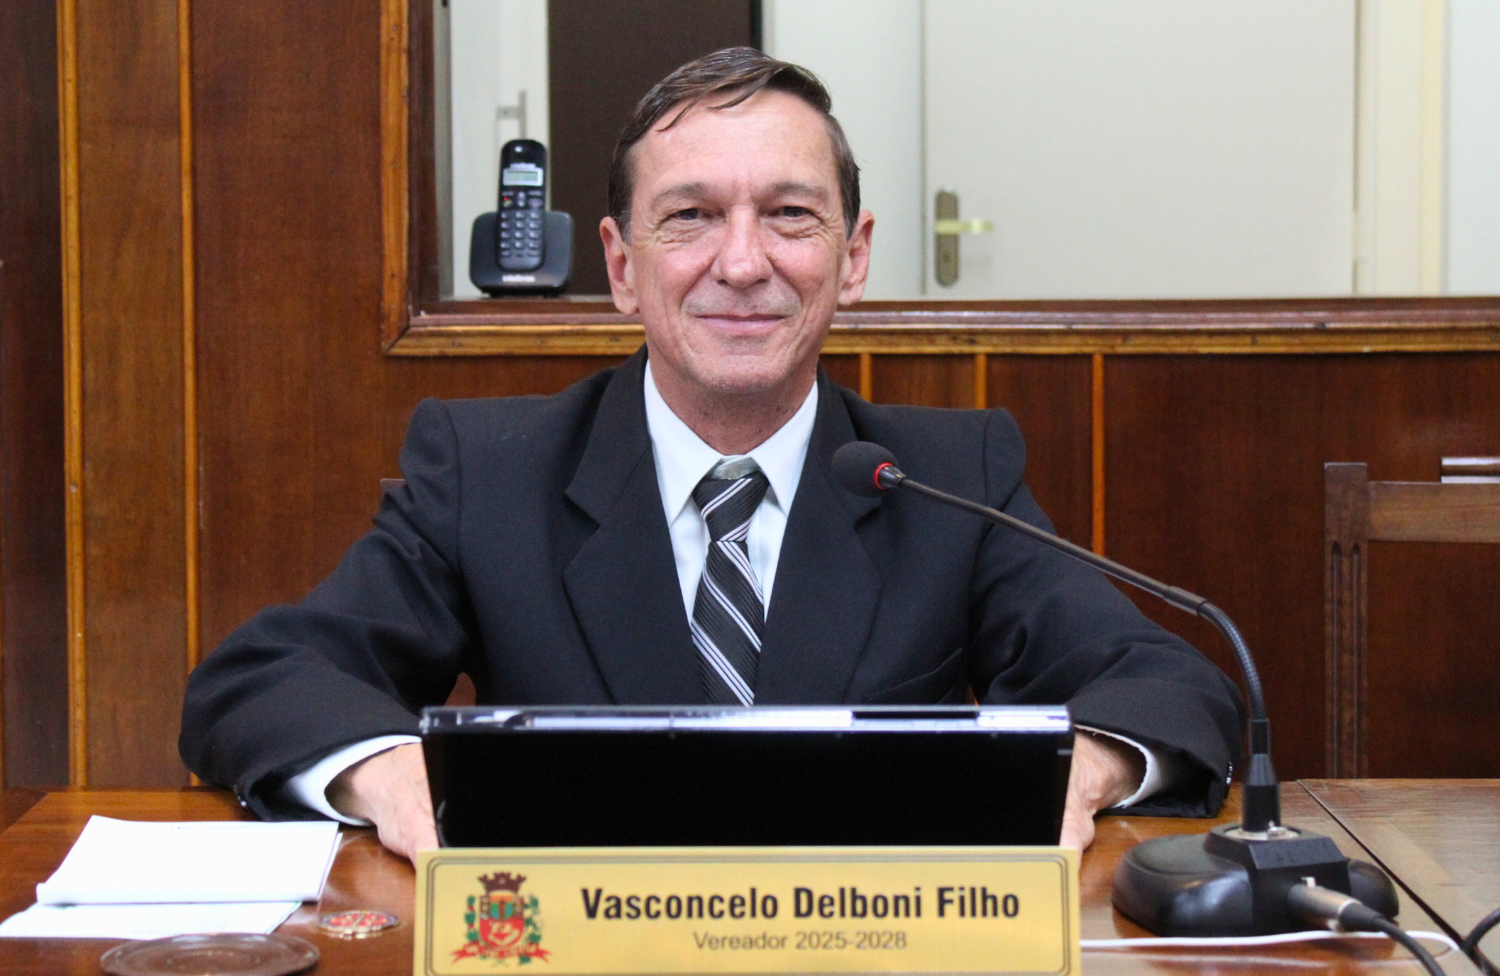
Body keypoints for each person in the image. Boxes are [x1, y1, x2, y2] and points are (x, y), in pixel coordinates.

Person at [180, 48, 1243, 863]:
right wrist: (387, 774)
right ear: (621, 266)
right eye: (690, 217)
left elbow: (1171, 686)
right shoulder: (491, 470)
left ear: (853, 257)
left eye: (789, 215)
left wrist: (1077, 775)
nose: (742, 263)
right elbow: (260, 680)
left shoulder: (946, 475)